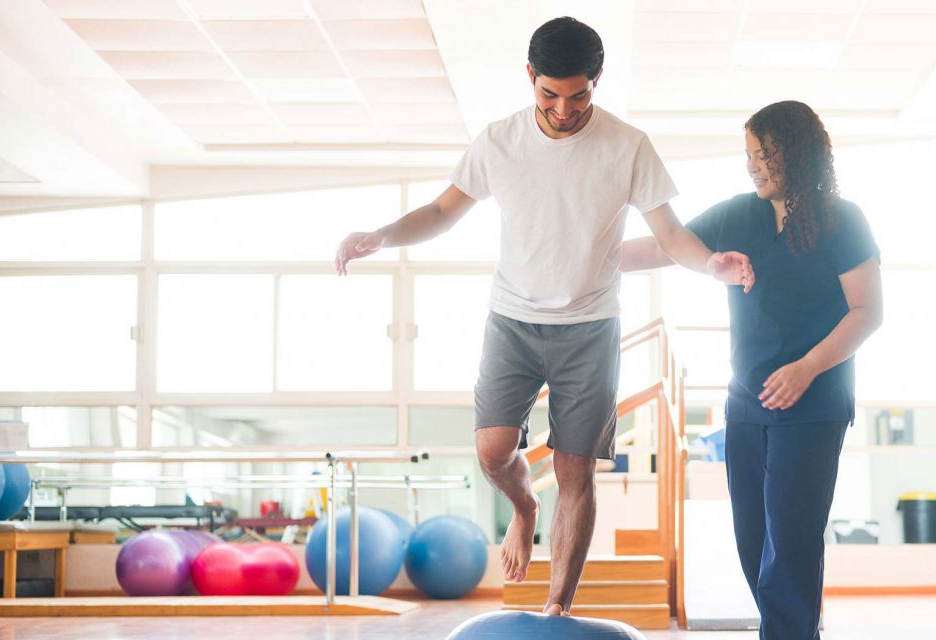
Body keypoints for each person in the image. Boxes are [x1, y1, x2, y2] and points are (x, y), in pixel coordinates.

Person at [334, 17, 753, 616]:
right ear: (530, 77)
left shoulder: (628, 146)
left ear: (597, 82)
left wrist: (710, 264)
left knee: (576, 466)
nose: (563, 109)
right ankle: (525, 508)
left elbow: (671, 233)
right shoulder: (499, 141)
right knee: (492, 452)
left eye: (578, 95)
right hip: (513, 320)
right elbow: (441, 210)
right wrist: (382, 234)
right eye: (550, 94)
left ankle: (559, 607)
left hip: (591, 326)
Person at [620, 100, 882, 638]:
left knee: (791, 542)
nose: (752, 165)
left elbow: (868, 311)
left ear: (798, 153)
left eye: (763, 153)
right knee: (753, 542)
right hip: (746, 406)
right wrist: (580, 252)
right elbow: (664, 247)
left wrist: (807, 368)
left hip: (813, 406)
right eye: (748, 154)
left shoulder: (842, 219)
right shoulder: (739, 214)